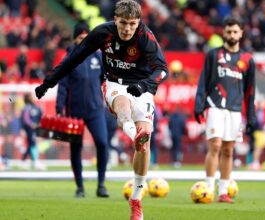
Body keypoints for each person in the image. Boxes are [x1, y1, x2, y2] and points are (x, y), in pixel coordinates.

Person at [35, 1, 168, 219]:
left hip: (142, 86)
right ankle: (135, 135)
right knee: (122, 105)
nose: (127, 28)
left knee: (144, 148)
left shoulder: (145, 36)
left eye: (132, 24)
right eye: (123, 23)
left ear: (138, 23)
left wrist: (144, 86)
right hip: (114, 83)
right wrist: (48, 82)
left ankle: (136, 199)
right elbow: (73, 59)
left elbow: (162, 70)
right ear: (115, 19)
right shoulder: (102, 33)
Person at [194, 15, 256, 204]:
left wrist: (251, 115)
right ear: (224, 32)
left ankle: (223, 192)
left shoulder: (247, 60)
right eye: (228, 31)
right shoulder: (214, 55)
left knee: (228, 150)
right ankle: (208, 188)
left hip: (235, 110)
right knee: (215, 146)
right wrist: (199, 103)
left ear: (241, 33)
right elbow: (203, 80)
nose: (231, 34)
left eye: (235, 31)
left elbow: (250, 90)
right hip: (215, 106)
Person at [56, 22, 110, 198]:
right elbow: (62, 86)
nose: (85, 41)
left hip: (95, 110)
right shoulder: (68, 59)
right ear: (75, 39)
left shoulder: (98, 57)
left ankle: (101, 184)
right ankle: (80, 187)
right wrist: (59, 108)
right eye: (81, 38)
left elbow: (106, 80)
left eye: (87, 37)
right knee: (75, 148)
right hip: (74, 113)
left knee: (102, 143)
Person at [21, 93, 43, 170]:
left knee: (31, 144)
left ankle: (26, 160)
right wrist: (32, 124)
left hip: (34, 128)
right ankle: (34, 161)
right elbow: (25, 119)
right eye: (31, 97)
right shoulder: (27, 108)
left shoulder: (35, 107)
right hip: (30, 128)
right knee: (32, 143)